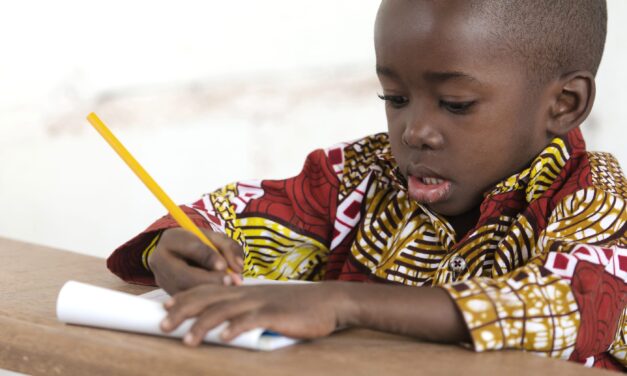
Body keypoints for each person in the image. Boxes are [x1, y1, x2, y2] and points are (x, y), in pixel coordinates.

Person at [107, 0, 626, 370]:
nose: (414, 131)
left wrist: (341, 304)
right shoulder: (360, 177)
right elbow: (236, 215)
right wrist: (181, 245)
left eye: (456, 105)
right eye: (395, 98)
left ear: (565, 104)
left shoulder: (594, 197)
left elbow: (571, 306)